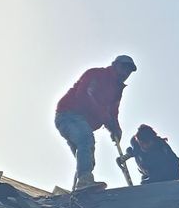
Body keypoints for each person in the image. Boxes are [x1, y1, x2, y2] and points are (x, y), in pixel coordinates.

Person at [56, 55, 136, 191]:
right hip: (68, 115)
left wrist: (115, 127)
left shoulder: (117, 91)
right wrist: (104, 117)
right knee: (86, 140)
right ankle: (84, 182)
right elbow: (83, 95)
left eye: (129, 71)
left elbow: (113, 112)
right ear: (114, 65)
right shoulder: (96, 74)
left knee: (87, 158)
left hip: (82, 123)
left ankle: (80, 188)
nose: (125, 73)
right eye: (123, 67)